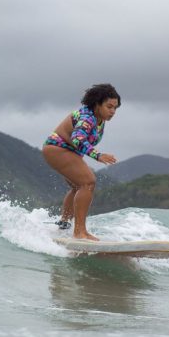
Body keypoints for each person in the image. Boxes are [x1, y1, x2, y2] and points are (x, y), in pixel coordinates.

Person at [42, 84, 121, 241]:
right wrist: (98, 155)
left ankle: (63, 225)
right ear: (97, 104)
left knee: (79, 186)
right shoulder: (87, 118)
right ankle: (79, 232)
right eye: (109, 106)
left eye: (115, 108)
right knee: (88, 182)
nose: (112, 111)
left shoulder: (99, 119)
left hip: (63, 151)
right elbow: (77, 140)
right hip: (58, 149)